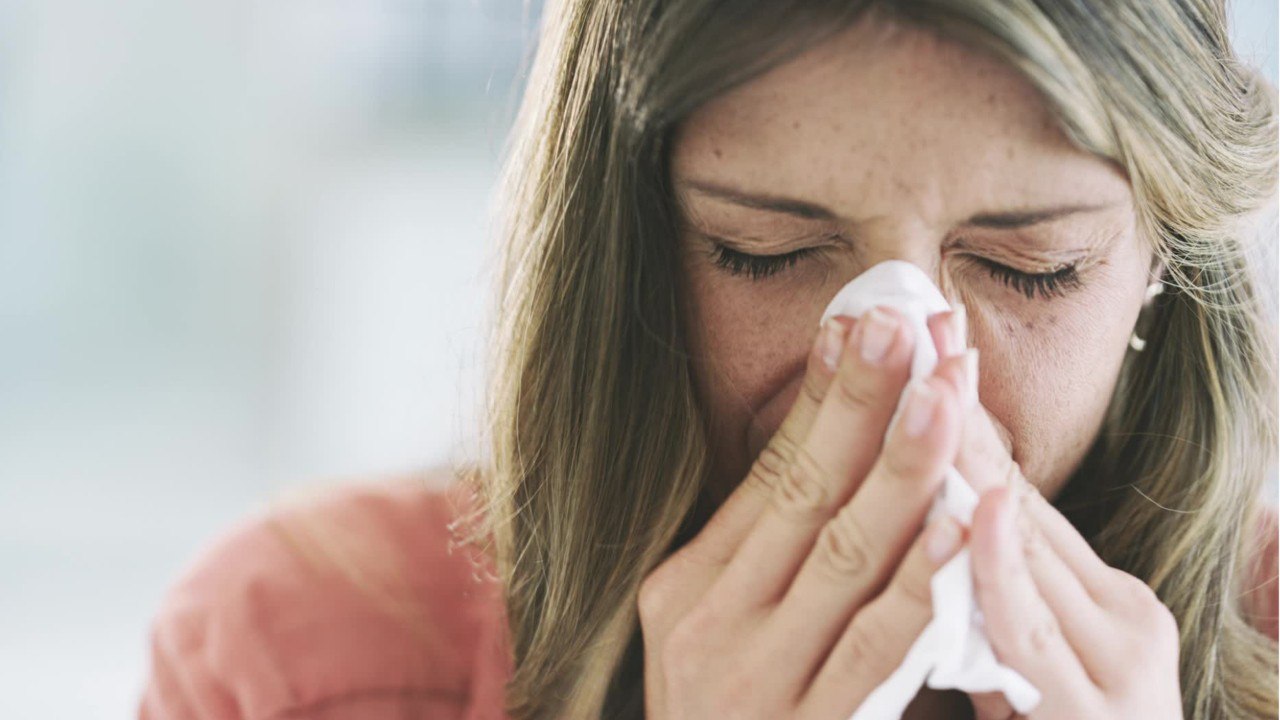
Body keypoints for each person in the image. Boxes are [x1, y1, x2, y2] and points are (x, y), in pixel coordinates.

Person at [137, 1, 1280, 718]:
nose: (905, 397)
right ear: (633, 253)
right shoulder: (305, 656)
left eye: (1033, 267)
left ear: (1155, 265)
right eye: (760, 251)